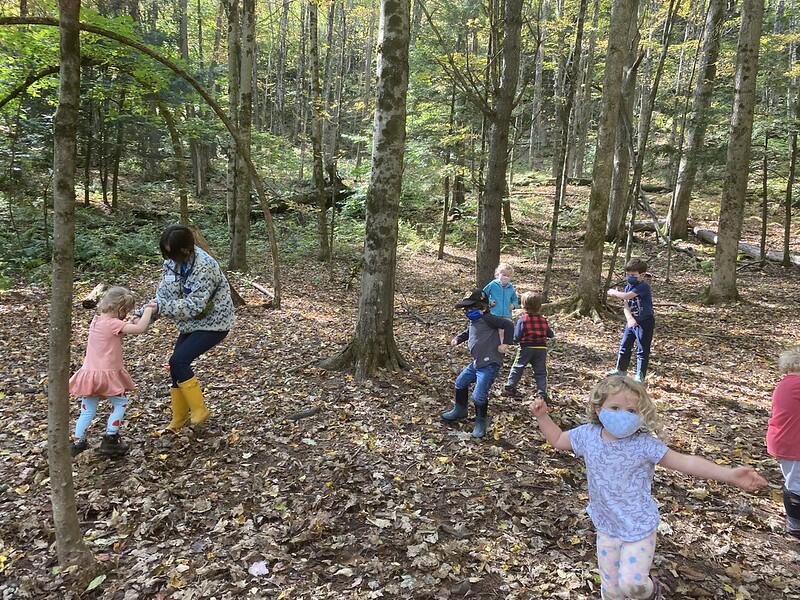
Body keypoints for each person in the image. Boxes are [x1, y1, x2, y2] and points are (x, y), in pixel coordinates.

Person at [529, 376, 767, 600]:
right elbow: (559, 440)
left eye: (632, 410)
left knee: (632, 585)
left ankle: (653, 592)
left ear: (642, 415)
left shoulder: (644, 445)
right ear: (598, 409)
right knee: (611, 592)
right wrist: (542, 418)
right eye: (615, 408)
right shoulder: (587, 435)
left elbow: (685, 462)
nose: (623, 415)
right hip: (606, 526)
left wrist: (729, 475)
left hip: (639, 527)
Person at [140, 224, 235, 433]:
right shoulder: (171, 264)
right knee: (175, 367)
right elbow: (163, 295)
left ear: (185, 250)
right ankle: (179, 418)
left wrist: (161, 307)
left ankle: (199, 410)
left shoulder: (204, 266)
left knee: (179, 361)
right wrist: (143, 314)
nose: (168, 258)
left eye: (171, 253)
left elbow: (195, 305)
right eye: (165, 253)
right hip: (190, 323)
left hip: (215, 322)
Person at [69, 287, 155, 457]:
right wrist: (148, 311)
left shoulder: (97, 320)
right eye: (126, 311)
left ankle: (77, 441)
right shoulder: (114, 324)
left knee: (87, 410)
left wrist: (129, 319)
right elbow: (139, 329)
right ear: (120, 309)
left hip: (90, 375)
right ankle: (110, 437)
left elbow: (121, 328)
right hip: (106, 376)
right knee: (120, 403)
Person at [442, 289, 514, 438]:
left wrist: (506, 344)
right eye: (466, 309)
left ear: (483, 308)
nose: (468, 311)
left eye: (471, 308)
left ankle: (481, 422)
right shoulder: (475, 320)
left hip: (489, 364)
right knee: (460, 382)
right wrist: (458, 338)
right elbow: (469, 331)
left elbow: (508, 325)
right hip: (477, 363)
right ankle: (460, 410)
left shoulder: (489, 319)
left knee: (478, 395)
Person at [767, 345, 800, 540]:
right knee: (796, 483)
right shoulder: (797, 385)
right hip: (792, 442)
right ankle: (794, 522)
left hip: (782, 439)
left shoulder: (785, 384)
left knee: (794, 478)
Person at [607, 258, 654, 382]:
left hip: (645, 322)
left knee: (642, 349)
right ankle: (621, 370)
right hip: (632, 322)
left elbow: (626, 296)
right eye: (628, 274)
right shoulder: (628, 286)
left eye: (633, 275)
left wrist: (613, 293)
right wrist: (629, 319)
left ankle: (640, 376)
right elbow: (626, 304)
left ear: (642, 275)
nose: (630, 277)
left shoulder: (643, 286)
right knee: (625, 346)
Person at [502, 292, 554, 399]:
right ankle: (542, 392)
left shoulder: (523, 320)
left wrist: (513, 341)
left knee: (518, 366)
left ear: (523, 306)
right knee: (540, 371)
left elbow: (517, 336)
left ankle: (510, 387)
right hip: (541, 348)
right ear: (539, 306)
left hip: (526, 347)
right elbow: (550, 334)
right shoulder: (543, 320)